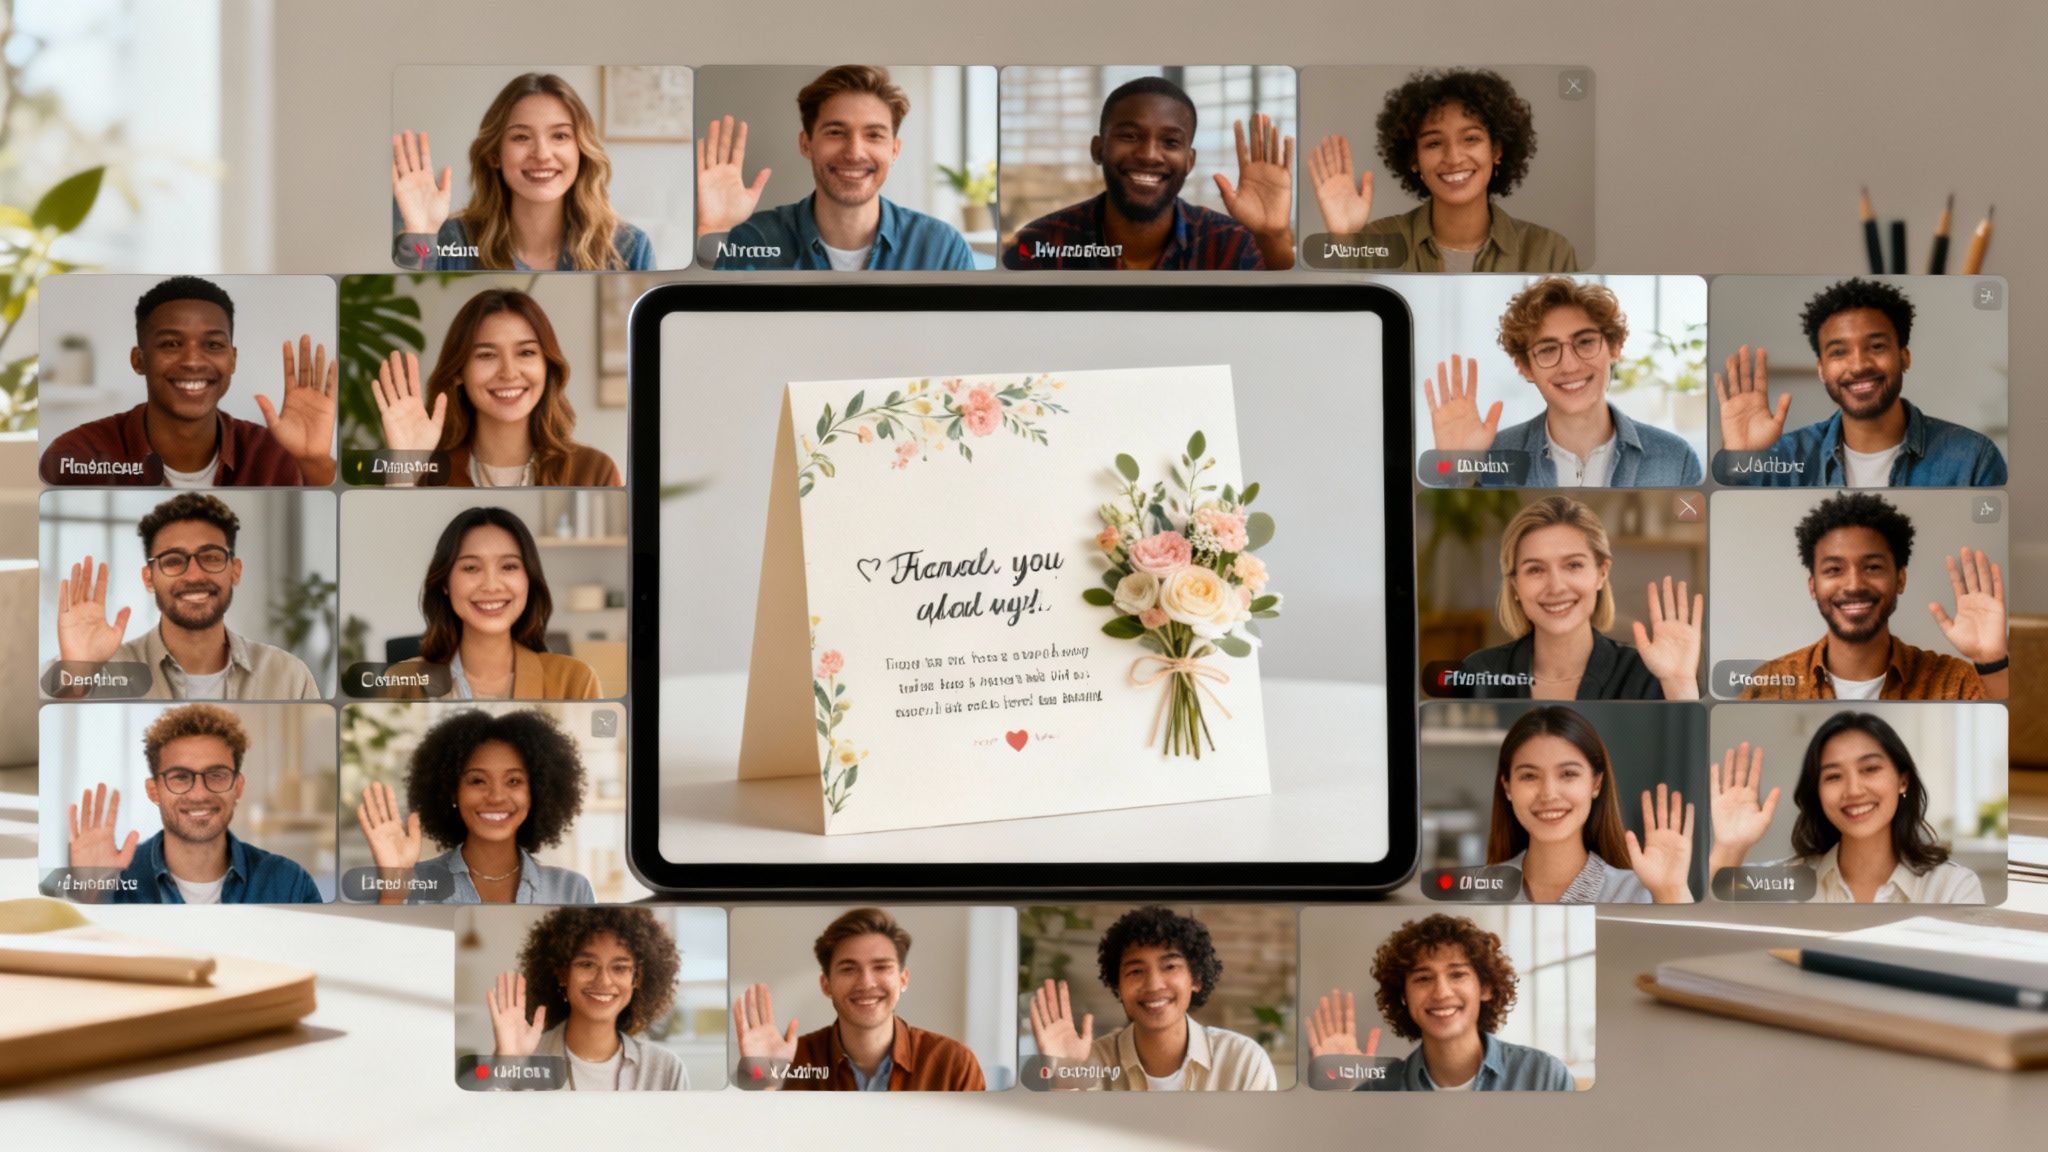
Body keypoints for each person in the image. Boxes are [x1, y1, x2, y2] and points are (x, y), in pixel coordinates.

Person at [40, 276, 337, 486]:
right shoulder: (79, 454)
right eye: (170, 344)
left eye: (213, 345)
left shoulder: (271, 454)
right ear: (139, 360)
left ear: (232, 360)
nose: (193, 361)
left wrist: (313, 461)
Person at [1715, 278, 2006, 487]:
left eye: (1876, 346)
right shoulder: (1786, 457)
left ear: (1904, 356)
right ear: (1821, 369)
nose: (1859, 365)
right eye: (1839, 352)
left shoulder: (1973, 459)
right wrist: (1740, 462)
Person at [1423, 278, 1704, 486]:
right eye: (1547, 349)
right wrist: (1458, 471)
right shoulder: (1490, 456)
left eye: (1585, 342)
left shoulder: (1676, 459)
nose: (1569, 365)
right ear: (1525, 367)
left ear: (1614, 347)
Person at [697, 66, 975, 271]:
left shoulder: (942, 249)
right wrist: (716, 230)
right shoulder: (753, 239)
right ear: (806, 144)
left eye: (874, 135)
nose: (854, 152)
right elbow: (707, 333)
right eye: (835, 132)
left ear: (894, 150)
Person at [1005, 76, 1295, 271]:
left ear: (1189, 161)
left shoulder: (1229, 243)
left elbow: (1288, 323)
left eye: (1170, 142)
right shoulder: (1037, 244)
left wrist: (1273, 236)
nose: (1148, 155)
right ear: (1098, 149)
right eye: (1129, 135)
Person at [1736, 492, 2006, 701]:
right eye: (1834, 570)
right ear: (1813, 586)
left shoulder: (1954, 681)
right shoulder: (1769, 682)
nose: (1854, 584)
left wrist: (1992, 660)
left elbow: (2016, 747)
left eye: (1873, 567)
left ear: (1900, 578)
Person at [50, 493, 322, 700]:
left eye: (211, 557)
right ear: (149, 578)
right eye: (173, 560)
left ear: (235, 571)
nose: (193, 575)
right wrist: (77, 674)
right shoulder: (104, 669)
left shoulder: (289, 677)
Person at [1307, 68, 1576, 272]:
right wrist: (1343, 240)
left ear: (1496, 150)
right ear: (1414, 159)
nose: (1453, 157)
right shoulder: (1377, 240)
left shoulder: (1550, 251)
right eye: (1434, 143)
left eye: (1470, 138)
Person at [59, 704, 325, 903]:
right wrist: (89, 893)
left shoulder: (290, 883)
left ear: (238, 787)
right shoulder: (116, 880)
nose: (199, 794)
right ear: (154, 791)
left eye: (217, 775)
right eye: (180, 777)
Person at [391, 72, 653, 271]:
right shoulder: (453, 240)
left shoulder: (629, 248)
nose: (541, 153)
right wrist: (418, 232)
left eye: (560, 136)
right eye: (521, 137)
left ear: (581, 152)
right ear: (494, 155)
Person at [1707, 716, 1985, 903]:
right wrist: (1729, 847)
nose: (1853, 790)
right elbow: (1706, 918)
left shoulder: (1952, 888)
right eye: (1833, 776)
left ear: (1903, 780)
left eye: (1870, 769)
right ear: (1817, 792)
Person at [1456, 495, 1701, 699]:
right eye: (1535, 569)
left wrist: (1680, 684)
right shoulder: (1479, 671)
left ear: (1601, 573)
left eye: (1573, 565)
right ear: (1515, 585)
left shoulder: (1645, 674)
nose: (1556, 587)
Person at [371, 288, 623, 487]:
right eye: (487, 355)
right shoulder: (428, 469)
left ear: (548, 367)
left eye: (526, 352)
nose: (509, 372)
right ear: (459, 371)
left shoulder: (594, 471)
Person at [355, 707, 595, 904]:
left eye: (514, 781)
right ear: (452, 792)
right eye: (478, 780)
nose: (496, 796)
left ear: (537, 793)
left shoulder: (572, 890)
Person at [1309, 913, 1573, 1091]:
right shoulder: (1377, 1089)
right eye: (1423, 978)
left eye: (1457, 974)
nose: (1441, 992)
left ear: (1486, 987)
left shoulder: (1544, 1077)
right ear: (1403, 995)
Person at [733, 907, 986, 1090]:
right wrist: (764, 1081)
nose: (866, 982)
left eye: (881, 967)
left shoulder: (955, 1064)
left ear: (903, 979)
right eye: (848, 968)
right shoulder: (790, 1061)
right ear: (826, 984)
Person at [1027, 905, 1277, 1091]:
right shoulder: (1091, 1063)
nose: (1154, 984)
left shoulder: (1243, 1060)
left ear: (1196, 979)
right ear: (1118, 985)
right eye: (1136, 971)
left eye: (1170, 967)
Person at [376, 506, 600, 700]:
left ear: (529, 580)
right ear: (445, 582)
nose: (491, 586)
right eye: (471, 568)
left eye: (509, 566)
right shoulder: (402, 680)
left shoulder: (575, 681)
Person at [1485, 706, 1694, 902]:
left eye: (1568, 774)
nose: (1548, 794)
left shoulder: (1640, 892)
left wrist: (1672, 892)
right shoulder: (1479, 888)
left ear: (1596, 783)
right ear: (1507, 787)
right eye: (1529, 776)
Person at [485, 908, 686, 1090]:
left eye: (620, 968)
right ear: (563, 974)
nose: (604, 980)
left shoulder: (666, 1070)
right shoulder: (524, 1059)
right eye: (587, 964)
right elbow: (485, 1128)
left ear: (637, 979)